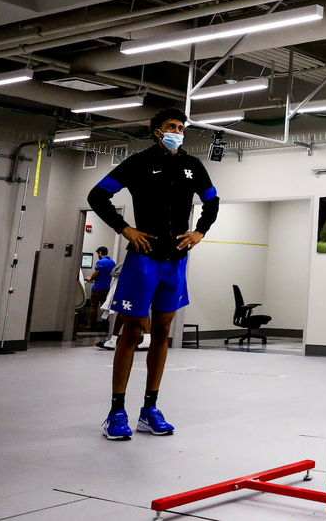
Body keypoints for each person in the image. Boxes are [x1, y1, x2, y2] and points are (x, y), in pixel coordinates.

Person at [87, 107, 220, 440]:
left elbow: (212, 201)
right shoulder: (139, 162)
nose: (177, 131)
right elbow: (97, 195)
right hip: (143, 259)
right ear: (157, 131)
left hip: (176, 261)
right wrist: (124, 228)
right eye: (171, 126)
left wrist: (200, 231)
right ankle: (117, 411)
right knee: (132, 332)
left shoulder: (193, 166)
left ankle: (150, 409)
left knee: (162, 330)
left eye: (181, 127)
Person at [86, 246, 116, 330]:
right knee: (105, 307)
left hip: (97, 288)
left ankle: (92, 326)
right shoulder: (112, 263)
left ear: (100, 253)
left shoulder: (101, 262)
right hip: (107, 288)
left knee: (93, 307)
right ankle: (105, 325)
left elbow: (95, 274)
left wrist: (90, 278)